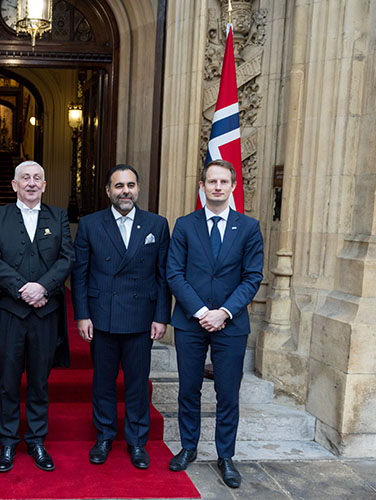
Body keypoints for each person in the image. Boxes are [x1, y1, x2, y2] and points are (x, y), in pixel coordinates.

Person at [166, 159, 264, 488]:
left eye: (224, 181)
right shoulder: (184, 225)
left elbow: (252, 278)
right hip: (190, 322)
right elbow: (174, 274)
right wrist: (200, 312)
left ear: (233, 186)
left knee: (228, 394)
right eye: (212, 181)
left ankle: (226, 455)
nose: (218, 187)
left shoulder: (248, 228)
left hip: (231, 325)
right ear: (202, 187)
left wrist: (223, 312)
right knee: (188, 390)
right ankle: (188, 447)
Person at [71, 164, 171, 470]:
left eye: (130, 185)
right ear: (108, 191)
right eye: (118, 186)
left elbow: (163, 275)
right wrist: (82, 315)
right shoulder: (90, 224)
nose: (125, 191)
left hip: (141, 317)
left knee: (137, 383)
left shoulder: (157, 224)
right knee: (103, 382)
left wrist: (161, 316)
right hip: (101, 317)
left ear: (138, 189)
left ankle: (137, 442)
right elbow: (80, 274)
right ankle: (104, 437)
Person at [0, 161, 75, 473]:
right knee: (8, 381)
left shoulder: (58, 216)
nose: (32, 183)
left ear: (45, 185)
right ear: (14, 184)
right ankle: (8, 441)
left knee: (39, 381)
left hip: (46, 312)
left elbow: (67, 258)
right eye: (26, 178)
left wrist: (43, 288)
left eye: (37, 178)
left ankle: (36, 440)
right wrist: (22, 289)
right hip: (9, 312)